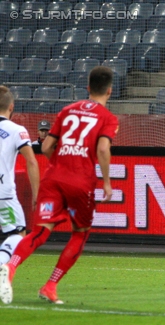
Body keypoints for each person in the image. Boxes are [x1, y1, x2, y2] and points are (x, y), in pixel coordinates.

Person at [0, 66, 119, 305]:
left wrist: (61, 164)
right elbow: (103, 149)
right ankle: (50, 286)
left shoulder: (67, 110)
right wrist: (106, 182)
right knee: (80, 234)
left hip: (53, 178)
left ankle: (9, 267)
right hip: (81, 181)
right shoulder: (108, 118)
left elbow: (45, 148)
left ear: (87, 88)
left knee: (41, 230)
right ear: (109, 90)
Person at [0, 86, 40, 266]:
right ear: (11, 106)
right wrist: (36, 193)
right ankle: (2, 266)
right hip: (3, 193)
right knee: (18, 235)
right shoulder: (17, 130)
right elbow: (31, 161)